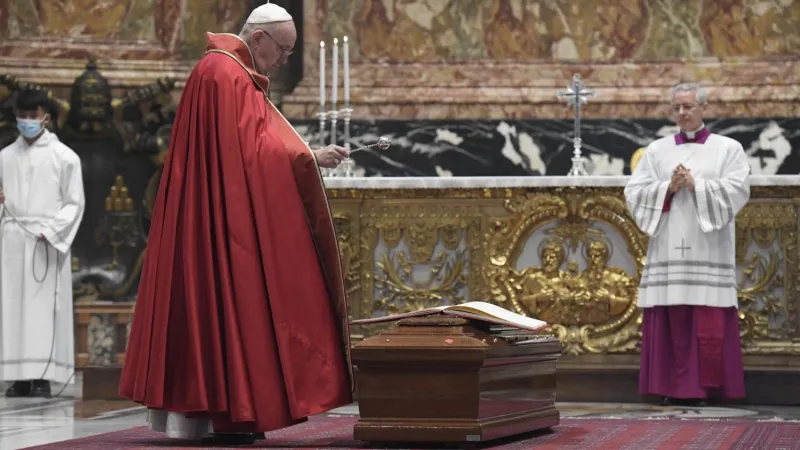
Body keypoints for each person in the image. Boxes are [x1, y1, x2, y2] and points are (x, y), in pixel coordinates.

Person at [119, 3, 353, 446]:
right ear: (259, 37)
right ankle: (221, 412)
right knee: (224, 296)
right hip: (220, 217)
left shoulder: (230, 72)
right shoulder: (224, 74)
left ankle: (229, 412)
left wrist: (310, 157)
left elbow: (253, 144)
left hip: (224, 205)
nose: (283, 61)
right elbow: (251, 151)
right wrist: (306, 157)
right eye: (282, 50)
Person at [625, 83, 750, 406]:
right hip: (669, 246)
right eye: (677, 107)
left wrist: (697, 186)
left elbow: (738, 189)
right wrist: (667, 188)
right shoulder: (656, 150)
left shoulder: (728, 148)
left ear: (703, 108)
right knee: (672, 315)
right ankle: (671, 387)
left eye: (689, 106)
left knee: (707, 317)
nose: (682, 113)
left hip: (708, 246)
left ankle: (708, 389)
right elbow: (635, 192)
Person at [0, 89, 85, 397]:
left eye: (32, 116)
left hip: (45, 241)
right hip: (11, 241)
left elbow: (74, 203)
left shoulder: (65, 157)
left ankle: (43, 377)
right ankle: (17, 377)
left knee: (43, 308)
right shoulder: (4, 157)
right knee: (11, 308)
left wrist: (51, 231)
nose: (26, 121)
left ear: (45, 117)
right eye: (21, 116)